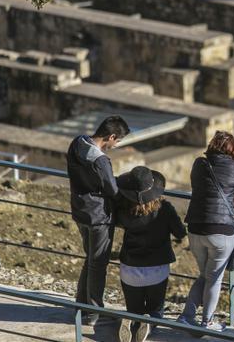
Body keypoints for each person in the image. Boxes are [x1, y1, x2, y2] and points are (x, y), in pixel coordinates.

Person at [177, 131, 234, 331]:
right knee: (214, 278)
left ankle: (186, 316)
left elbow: (198, 187)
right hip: (221, 230)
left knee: (206, 275)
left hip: (196, 228)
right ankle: (207, 322)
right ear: (232, 149)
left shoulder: (199, 164)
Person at [67, 115, 130, 326]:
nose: (116, 145)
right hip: (99, 216)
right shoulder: (101, 160)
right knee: (98, 264)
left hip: (80, 210)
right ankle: (93, 311)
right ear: (111, 136)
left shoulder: (77, 143)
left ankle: (81, 305)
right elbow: (112, 189)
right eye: (117, 141)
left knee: (90, 259)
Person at [114, 166, 186, 342]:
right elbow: (180, 233)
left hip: (130, 269)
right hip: (157, 270)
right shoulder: (165, 209)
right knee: (156, 309)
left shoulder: (123, 209)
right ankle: (151, 322)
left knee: (133, 308)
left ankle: (131, 320)